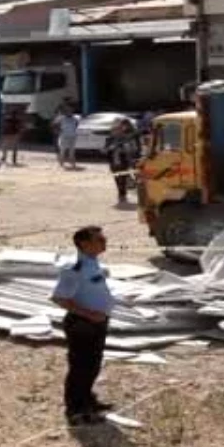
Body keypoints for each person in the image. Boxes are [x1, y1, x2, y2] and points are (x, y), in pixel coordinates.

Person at [50, 226, 115, 426]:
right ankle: (75, 410)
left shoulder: (93, 263)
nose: (104, 241)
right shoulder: (74, 268)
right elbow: (60, 298)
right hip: (82, 324)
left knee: (93, 365)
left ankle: (88, 401)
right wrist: (89, 314)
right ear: (84, 244)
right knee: (80, 368)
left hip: (98, 322)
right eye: (99, 239)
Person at [103, 118, 141, 204]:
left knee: (123, 179)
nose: (116, 131)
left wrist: (124, 149)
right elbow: (104, 150)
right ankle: (121, 193)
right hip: (113, 162)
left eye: (118, 129)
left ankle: (122, 194)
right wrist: (110, 148)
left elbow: (133, 149)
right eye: (115, 130)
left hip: (123, 162)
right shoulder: (109, 139)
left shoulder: (125, 138)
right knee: (116, 179)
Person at [52, 104, 79, 169]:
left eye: (71, 111)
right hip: (64, 136)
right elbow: (54, 125)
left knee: (72, 151)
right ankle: (61, 164)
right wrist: (58, 131)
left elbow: (76, 125)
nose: (70, 112)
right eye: (68, 111)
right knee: (62, 150)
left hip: (73, 136)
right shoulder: (61, 118)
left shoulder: (75, 118)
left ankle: (73, 164)